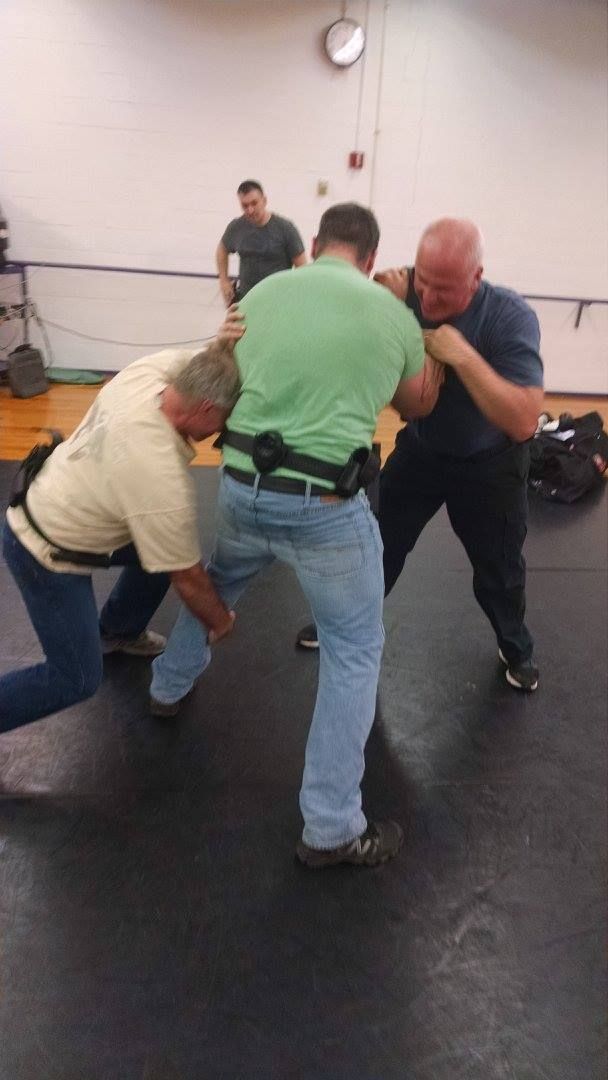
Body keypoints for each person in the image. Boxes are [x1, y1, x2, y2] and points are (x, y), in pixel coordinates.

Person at [150, 203, 443, 868]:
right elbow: (418, 403)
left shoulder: (265, 290)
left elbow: (223, 363)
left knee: (219, 584)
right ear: (372, 257)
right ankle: (333, 827)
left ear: (313, 243)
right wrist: (416, 323)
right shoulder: (391, 313)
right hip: (324, 509)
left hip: (241, 486)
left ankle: (168, 688)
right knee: (353, 649)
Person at [296, 218, 544, 691]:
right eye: (422, 281)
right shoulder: (400, 288)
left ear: (476, 277)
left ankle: (516, 646)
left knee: (499, 569)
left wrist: (464, 356)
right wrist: (381, 303)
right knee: (376, 544)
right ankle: (343, 625)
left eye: (444, 292)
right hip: (422, 450)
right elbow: (342, 336)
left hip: (491, 463)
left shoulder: (508, 316)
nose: (428, 300)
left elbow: (524, 421)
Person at [0, 342, 239, 732]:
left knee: (164, 547)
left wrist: (226, 344)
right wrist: (220, 621)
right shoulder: (161, 477)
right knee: (75, 678)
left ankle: (119, 629)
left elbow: (202, 358)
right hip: (42, 552)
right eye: (223, 422)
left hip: (61, 500)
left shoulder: (149, 374)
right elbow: (189, 578)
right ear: (207, 410)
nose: (220, 432)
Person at [216, 179, 306, 306]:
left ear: (264, 200)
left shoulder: (285, 228)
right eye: (245, 205)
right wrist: (224, 281)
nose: (250, 210)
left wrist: (297, 298)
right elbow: (222, 250)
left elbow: (302, 267)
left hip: (278, 302)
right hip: (247, 300)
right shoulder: (236, 227)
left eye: (254, 203)